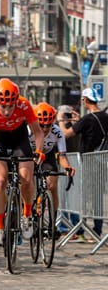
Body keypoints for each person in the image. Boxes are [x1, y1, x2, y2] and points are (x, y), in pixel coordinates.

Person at [0, 78, 45, 246]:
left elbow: (38, 133)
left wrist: (39, 151)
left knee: (26, 178)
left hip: (20, 138)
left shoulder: (24, 105)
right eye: (3, 106)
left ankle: (27, 215)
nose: (7, 110)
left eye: (11, 106)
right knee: (1, 179)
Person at [58, 87, 106, 237]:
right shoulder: (104, 116)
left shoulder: (87, 119)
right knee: (98, 197)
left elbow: (65, 134)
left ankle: (80, 228)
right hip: (103, 161)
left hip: (88, 162)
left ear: (85, 100)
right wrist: (79, 122)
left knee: (82, 196)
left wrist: (60, 120)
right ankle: (97, 229)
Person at [30, 102, 75, 234]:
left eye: (48, 125)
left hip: (47, 155)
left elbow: (62, 156)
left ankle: (52, 222)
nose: (44, 128)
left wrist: (67, 167)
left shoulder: (57, 132)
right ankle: (26, 210)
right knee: (26, 180)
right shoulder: (28, 130)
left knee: (52, 185)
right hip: (29, 155)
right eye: (41, 125)